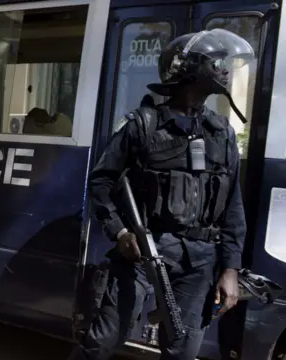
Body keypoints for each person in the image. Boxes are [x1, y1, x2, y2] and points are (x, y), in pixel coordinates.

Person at [67, 28, 255, 360]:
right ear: (191, 69)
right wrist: (121, 232)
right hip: (143, 252)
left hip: (200, 261)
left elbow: (233, 208)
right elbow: (100, 182)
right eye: (217, 63)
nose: (225, 70)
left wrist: (230, 269)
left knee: (183, 350)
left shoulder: (221, 132)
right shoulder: (144, 125)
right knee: (104, 339)